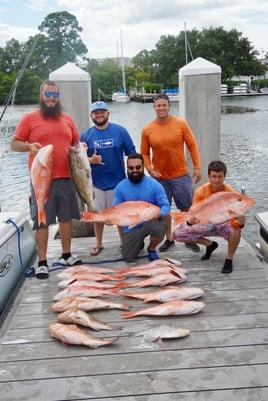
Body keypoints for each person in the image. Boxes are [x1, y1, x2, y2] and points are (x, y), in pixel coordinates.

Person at [10, 79, 82, 279]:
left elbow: (76, 142)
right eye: (48, 94)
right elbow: (14, 144)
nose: (51, 98)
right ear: (41, 95)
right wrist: (29, 147)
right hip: (41, 180)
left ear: (58, 97)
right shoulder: (29, 118)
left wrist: (83, 153)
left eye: (55, 95)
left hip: (66, 177)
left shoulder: (67, 118)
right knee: (41, 221)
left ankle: (66, 254)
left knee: (66, 219)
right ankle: (42, 261)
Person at [140, 93, 202, 253]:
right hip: (160, 178)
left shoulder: (181, 124)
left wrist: (197, 167)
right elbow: (145, 153)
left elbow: (192, 145)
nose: (161, 108)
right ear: (154, 107)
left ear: (169, 106)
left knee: (187, 208)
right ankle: (169, 239)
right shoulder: (147, 129)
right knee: (163, 210)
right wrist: (150, 170)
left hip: (181, 175)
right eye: (158, 105)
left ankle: (189, 237)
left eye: (164, 105)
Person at [80, 101, 136, 256]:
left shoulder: (120, 131)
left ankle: (123, 242)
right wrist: (91, 160)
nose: (99, 115)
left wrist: (134, 174)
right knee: (98, 216)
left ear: (108, 114)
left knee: (119, 215)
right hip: (96, 183)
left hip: (118, 182)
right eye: (96, 112)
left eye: (102, 112)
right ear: (91, 115)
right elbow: (78, 159)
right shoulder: (85, 135)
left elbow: (131, 153)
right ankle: (98, 243)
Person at [173, 160, 246, 274]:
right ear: (209, 176)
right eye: (214, 176)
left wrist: (240, 222)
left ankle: (229, 259)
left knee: (236, 230)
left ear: (224, 176)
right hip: (206, 222)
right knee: (177, 234)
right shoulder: (200, 191)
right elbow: (194, 212)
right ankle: (210, 245)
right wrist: (190, 221)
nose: (217, 180)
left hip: (223, 223)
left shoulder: (231, 194)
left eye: (220, 177)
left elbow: (237, 222)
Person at [112, 153, 170, 263]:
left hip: (150, 222)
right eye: (131, 168)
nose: (135, 170)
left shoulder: (154, 185)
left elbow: (165, 206)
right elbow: (116, 209)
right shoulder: (120, 187)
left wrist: (160, 214)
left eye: (138, 167)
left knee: (160, 227)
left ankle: (152, 248)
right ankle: (139, 242)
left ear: (143, 167)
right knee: (128, 258)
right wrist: (110, 219)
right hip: (131, 227)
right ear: (126, 168)